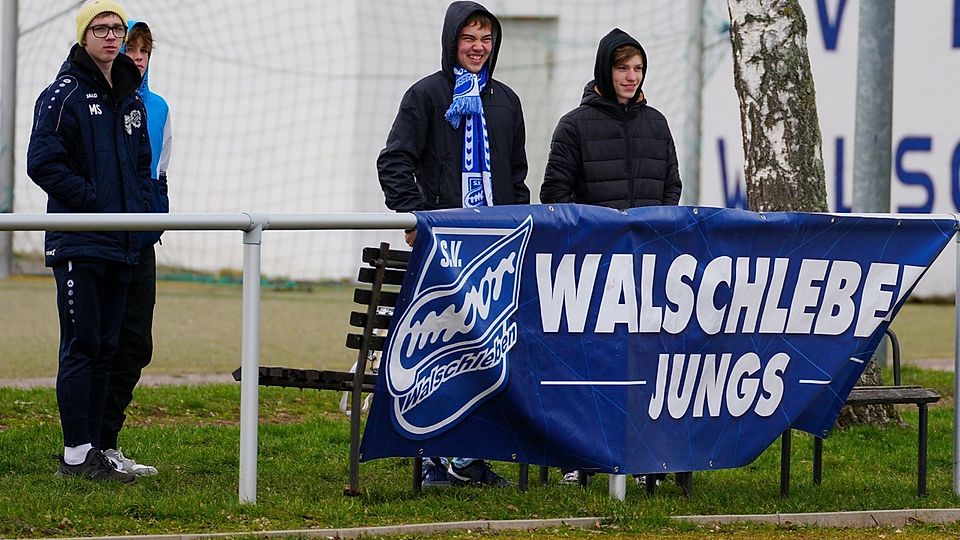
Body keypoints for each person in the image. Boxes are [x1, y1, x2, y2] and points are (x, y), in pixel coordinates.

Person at [376, 0, 529, 486]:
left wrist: (519, 227)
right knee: (438, 355)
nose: (478, 47)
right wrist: (415, 216)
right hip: (442, 249)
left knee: (485, 353)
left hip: (494, 250)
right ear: (451, 41)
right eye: (469, 38)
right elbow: (394, 160)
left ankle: (468, 458)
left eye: (486, 38)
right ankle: (431, 458)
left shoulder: (507, 102)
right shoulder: (426, 95)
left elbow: (518, 177)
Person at [539, 28, 682, 486]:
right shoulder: (574, 126)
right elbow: (555, 195)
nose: (631, 76)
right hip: (592, 271)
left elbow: (671, 187)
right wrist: (590, 241)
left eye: (638, 69)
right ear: (606, 69)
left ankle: (642, 460)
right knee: (589, 364)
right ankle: (578, 458)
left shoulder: (657, 123)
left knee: (645, 364)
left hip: (647, 269)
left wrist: (656, 233)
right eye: (623, 68)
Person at [26, 0, 151, 483]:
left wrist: (137, 215)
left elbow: (141, 167)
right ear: (84, 36)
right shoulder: (63, 95)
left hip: (123, 244)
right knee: (82, 345)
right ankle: (75, 455)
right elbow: (43, 162)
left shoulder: (131, 97)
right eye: (100, 28)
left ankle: (95, 450)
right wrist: (94, 201)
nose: (111, 36)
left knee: (108, 346)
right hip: (81, 243)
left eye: (116, 28)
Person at [98, 18, 172, 477]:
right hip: (103, 243)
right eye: (130, 48)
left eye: (144, 50)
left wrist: (152, 224)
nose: (138, 58)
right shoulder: (95, 101)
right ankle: (86, 446)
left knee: (136, 344)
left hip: (140, 243)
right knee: (98, 343)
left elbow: (159, 174)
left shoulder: (159, 107)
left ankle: (108, 441)